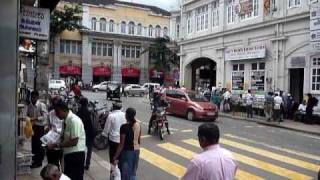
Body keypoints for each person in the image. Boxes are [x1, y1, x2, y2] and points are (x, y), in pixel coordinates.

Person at [48, 100, 86, 180]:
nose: (57, 115)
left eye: (58, 113)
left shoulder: (74, 121)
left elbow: (74, 141)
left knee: (75, 177)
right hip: (68, 154)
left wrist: (57, 145)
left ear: (64, 110)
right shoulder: (65, 121)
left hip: (76, 155)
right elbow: (63, 136)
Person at [112, 108, 141, 180]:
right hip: (136, 151)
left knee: (125, 174)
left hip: (127, 152)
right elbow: (139, 140)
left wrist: (115, 156)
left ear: (126, 115)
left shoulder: (124, 127)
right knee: (133, 172)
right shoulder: (138, 125)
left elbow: (122, 144)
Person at [102, 101, 126, 174]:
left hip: (113, 141)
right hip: (122, 141)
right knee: (121, 160)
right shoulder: (124, 115)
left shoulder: (111, 116)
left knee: (113, 159)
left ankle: (112, 175)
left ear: (114, 107)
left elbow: (106, 129)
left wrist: (104, 136)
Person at [27, 91, 48, 168]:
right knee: (33, 144)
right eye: (32, 97)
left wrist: (36, 118)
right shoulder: (30, 106)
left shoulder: (41, 105)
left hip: (40, 127)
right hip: (33, 127)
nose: (33, 99)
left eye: (34, 97)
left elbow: (45, 116)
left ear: (37, 97)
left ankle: (38, 162)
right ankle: (34, 160)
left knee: (39, 145)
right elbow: (28, 115)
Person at [76, 97, 95, 170]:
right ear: (87, 103)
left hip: (81, 134)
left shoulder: (78, 112)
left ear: (80, 104)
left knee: (80, 149)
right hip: (90, 134)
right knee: (89, 150)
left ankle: (81, 163)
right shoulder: (90, 112)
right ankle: (87, 164)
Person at [45, 97, 63, 170]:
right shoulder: (50, 113)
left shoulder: (64, 114)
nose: (56, 110)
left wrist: (58, 131)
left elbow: (66, 129)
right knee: (51, 163)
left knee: (60, 164)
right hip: (51, 141)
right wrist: (47, 129)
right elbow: (47, 125)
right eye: (54, 106)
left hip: (60, 142)